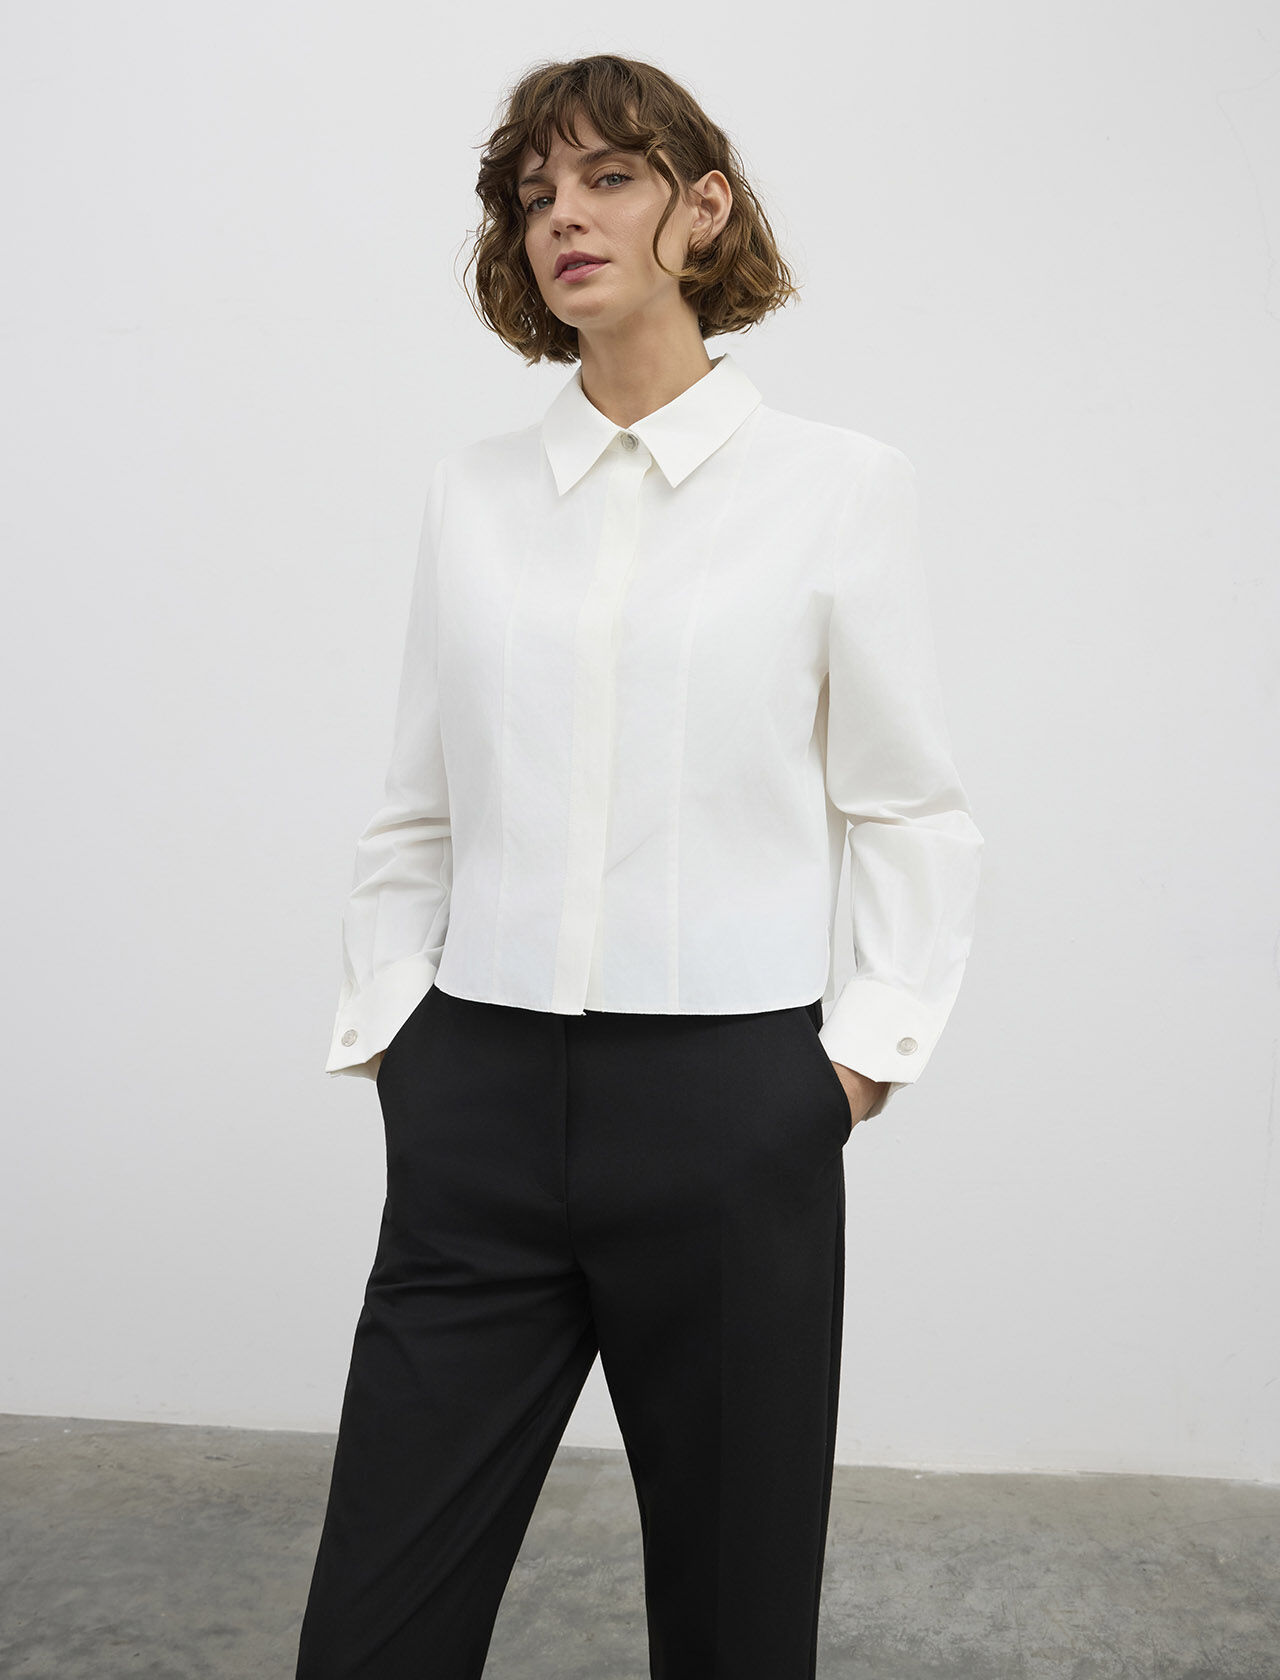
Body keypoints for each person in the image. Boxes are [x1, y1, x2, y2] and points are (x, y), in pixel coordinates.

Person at [295, 51, 983, 1680]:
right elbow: (416, 804)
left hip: (731, 1109)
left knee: (737, 1629)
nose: (565, 217)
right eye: (535, 193)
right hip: (476, 1097)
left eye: (609, 177)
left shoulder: (838, 490)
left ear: (704, 206)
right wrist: (400, 1033)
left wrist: (848, 1074)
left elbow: (907, 806)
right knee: (375, 1630)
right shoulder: (473, 496)